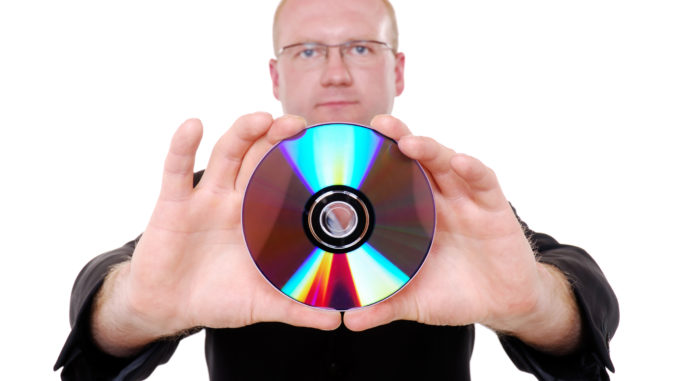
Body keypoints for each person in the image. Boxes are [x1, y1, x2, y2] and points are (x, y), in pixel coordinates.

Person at [55, 0, 619, 380]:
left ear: (398, 71)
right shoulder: (227, 196)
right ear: (275, 76)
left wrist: (540, 304)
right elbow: (102, 297)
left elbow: (581, 289)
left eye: (359, 48)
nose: (335, 74)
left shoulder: (443, 195)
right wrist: (129, 309)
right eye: (307, 51)